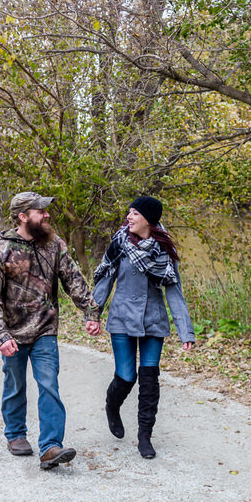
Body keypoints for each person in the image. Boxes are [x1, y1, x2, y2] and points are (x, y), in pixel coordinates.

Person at [0, 191, 101, 470]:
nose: (46, 215)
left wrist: (90, 312)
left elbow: (73, 279)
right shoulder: (1, 250)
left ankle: (50, 447)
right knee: (15, 385)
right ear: (23, 217)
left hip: (45, 329)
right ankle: (16, 434)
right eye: (40, 211)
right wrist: (1, 334)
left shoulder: (53, 245)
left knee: (49, 385)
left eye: (46, 211)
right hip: (12, 332)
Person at [88, 195, 195, 459]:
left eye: (134, 213)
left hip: (153, 321)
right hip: (122, 318)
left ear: (148, 218)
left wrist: (186, 331)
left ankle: (144, 436)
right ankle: (112, 407)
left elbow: (174, 291)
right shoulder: (120, 244)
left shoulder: (165, 251)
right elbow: (105, 279)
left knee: (149, 379)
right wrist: (93, 314)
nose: (129, 217)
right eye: (129, 212)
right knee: (126, 376)